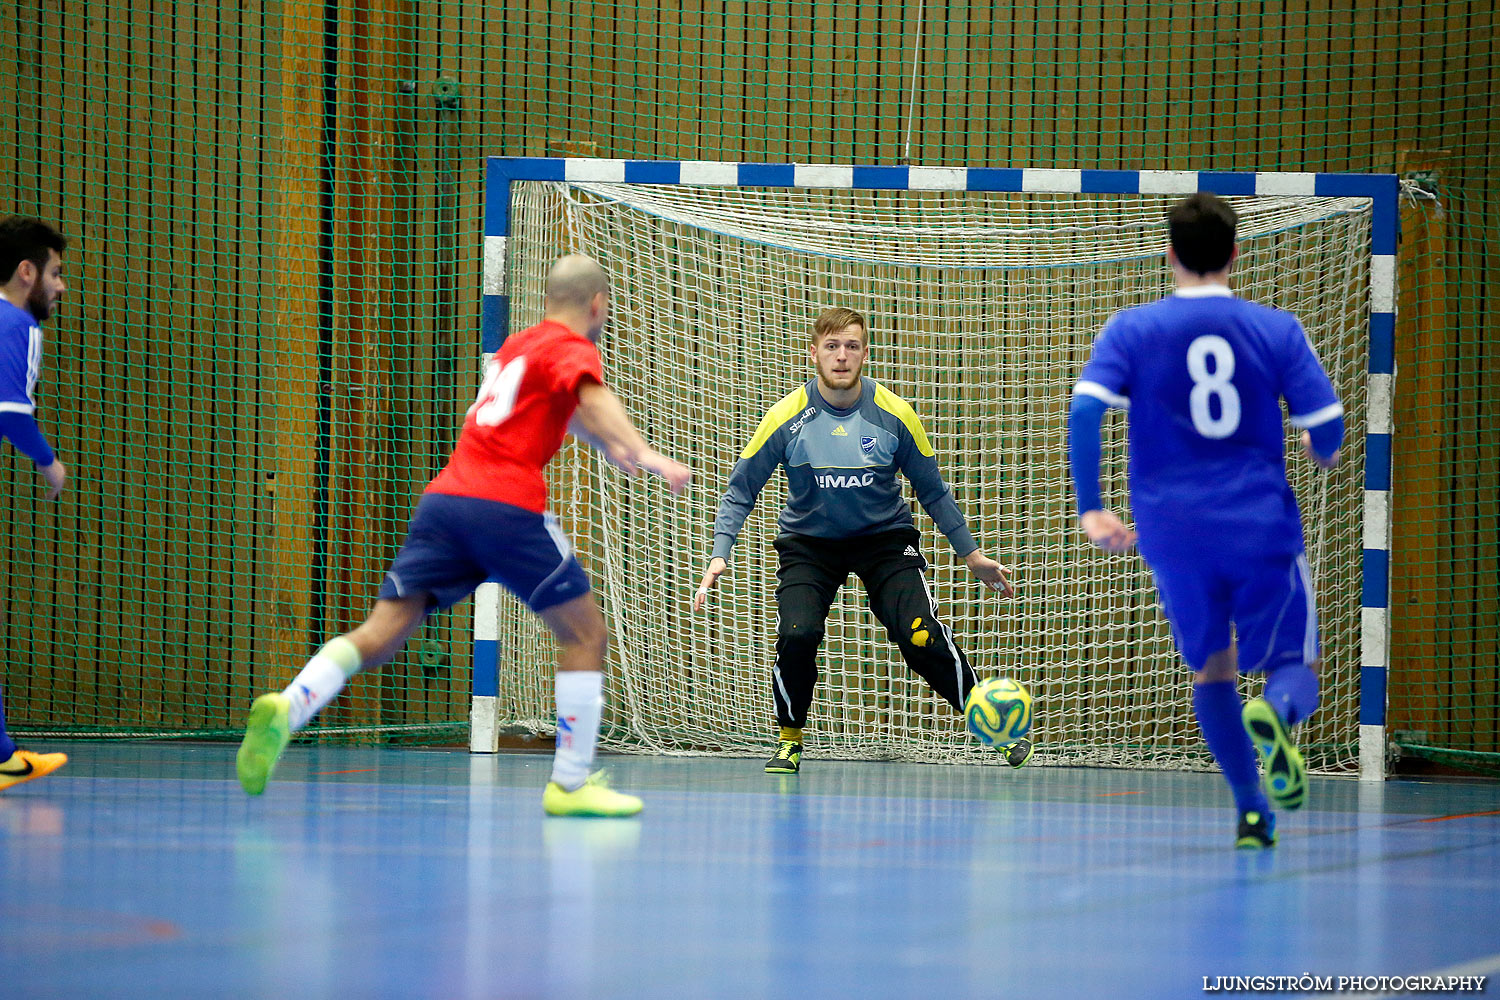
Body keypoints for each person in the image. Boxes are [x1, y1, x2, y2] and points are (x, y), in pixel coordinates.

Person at [237, 254, 691, 816]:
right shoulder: (573, 349)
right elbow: (592, 399)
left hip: (446, 502)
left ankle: (290, 705)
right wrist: (647, 453)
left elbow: (565, 413)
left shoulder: (517, 348)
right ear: (597, 305)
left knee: (381, 632)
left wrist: (612, 450)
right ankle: (570, 785)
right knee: (585, 636)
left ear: (546, 299)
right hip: (505, 508)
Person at [1069, 192, 1343, 849]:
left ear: (1169, 255)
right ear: (1235, 254)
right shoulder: (1274, 328)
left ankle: (1252, 810)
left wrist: (1092, 508)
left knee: (1212, 670)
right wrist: (1317, 450)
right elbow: (1327, 426)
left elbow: (1084, 411)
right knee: (1292, 665)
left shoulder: (1131, 329)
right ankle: (1276, 715)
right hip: (1257, 525)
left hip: (1173, 532)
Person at [694, 306, 1025, 774]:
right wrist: (719, 553)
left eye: (852, 346)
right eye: (832, 346)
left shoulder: (895, 414)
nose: (842, 356)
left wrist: (970, 554)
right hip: (809, 544)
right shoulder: (786, 417)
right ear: (814, 354)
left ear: (865, 354)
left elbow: (932, 490)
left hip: (883, 540)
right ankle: (790, 738)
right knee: (797, 634)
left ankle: (990, 721)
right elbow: (740, 488)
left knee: (921, 636)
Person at [0, 215, 71, 792]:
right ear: (26, 273)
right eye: (54, 272)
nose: (61, 286)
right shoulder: (17, 325)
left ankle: (3, 755)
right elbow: (10, 414)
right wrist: (50, 462)